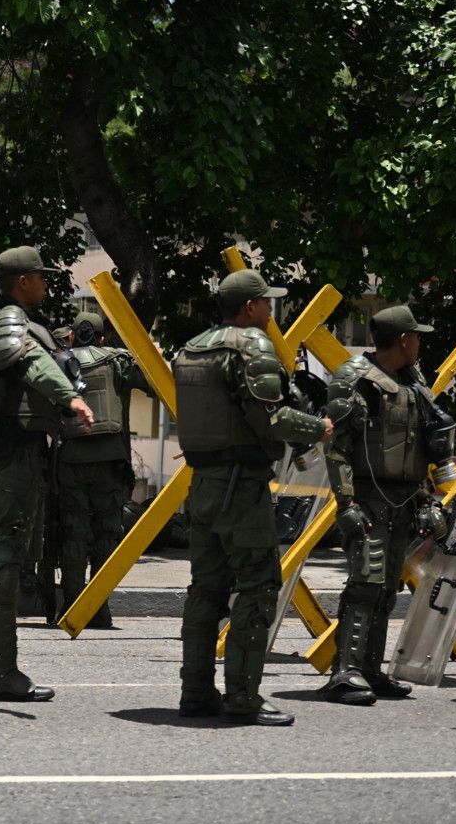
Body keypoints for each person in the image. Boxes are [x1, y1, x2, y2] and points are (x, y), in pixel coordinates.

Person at [170, 269, 332, 725]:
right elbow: (272, 419)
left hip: (201, 483)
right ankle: (243, 697)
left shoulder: (191, 349)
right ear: (249, 308)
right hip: (241, 488)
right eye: (266, 303)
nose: (270, 311)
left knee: (206, 590)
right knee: (257, 588)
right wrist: (318, 427)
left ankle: (195, 692)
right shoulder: (251, 346)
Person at [0, 246, 94, 700]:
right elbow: (24, 359)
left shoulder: (0, 319)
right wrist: (68, 396)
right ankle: (1, 670)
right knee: (3, 557)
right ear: (23, 281)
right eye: (41, 277)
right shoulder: (10, 320)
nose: (45, 284)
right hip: (16, 452)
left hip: (9, 452)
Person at [320, 304, 440, 706]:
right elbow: (337, 449)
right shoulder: (354, 379)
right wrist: (346, 502)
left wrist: (427, 498)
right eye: (417, 335)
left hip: (403, 499)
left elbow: (422, 443)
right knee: (365, 584)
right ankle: (345, 671)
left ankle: (370, 669)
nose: (420, 342)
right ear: (404, 339)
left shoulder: (413, 380)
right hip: (369, 499)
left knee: (387, 588)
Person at [55, 312, 153, 628]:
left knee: (73, 534)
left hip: (69, 460)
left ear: (72, 336)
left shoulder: (58, 362)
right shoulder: (117, 361)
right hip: (110, 462)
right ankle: (99, 610)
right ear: (99, 338)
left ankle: (70, 609)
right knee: (107, 535)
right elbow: (152, 382)